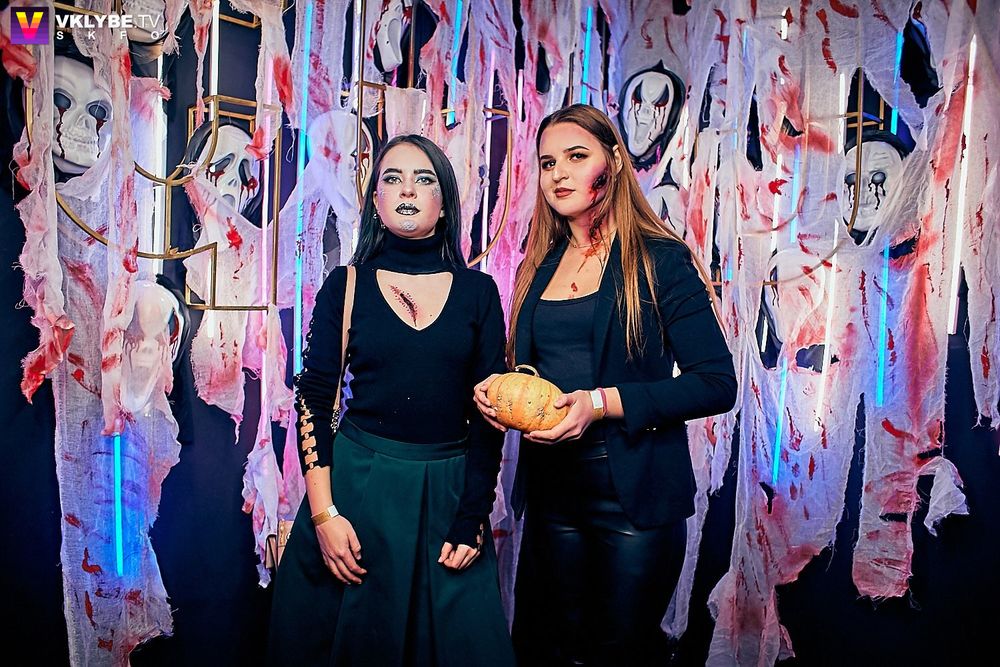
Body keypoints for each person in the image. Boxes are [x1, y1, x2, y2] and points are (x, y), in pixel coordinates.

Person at [474, 104, 737, 665]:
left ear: (613, 162)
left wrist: (601, 403)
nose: (558, 174)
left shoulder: (660, 260)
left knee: (617, 657)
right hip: (552, 498)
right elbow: (535, 374)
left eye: (576, 157)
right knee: (544, 653)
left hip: (633, 504)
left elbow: (717, 383)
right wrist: (496, 390)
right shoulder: (538, 265)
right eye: (548, 163)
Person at [269, 134, 515, 666]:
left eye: (424, 180)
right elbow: (313, 400)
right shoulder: (345, 285)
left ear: (443, 203)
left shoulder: (479, 292)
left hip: (449, 496)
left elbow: (490, 415)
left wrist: (472, 514)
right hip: (358, 495)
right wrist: (324, 515)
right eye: (392, 178)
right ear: (375, 201)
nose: (407, 190)